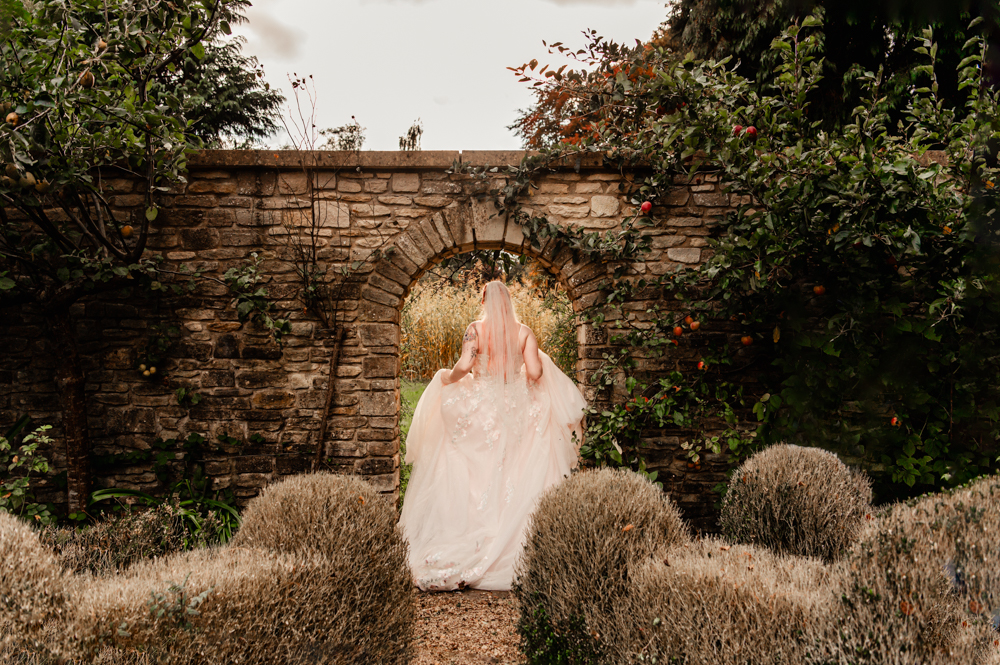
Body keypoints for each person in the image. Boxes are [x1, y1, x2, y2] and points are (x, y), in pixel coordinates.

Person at [398, 280, 587, 591]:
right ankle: (511, 537)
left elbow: (464, 365)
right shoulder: (524, 332)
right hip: (515, 401)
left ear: (484, 300)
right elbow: (536, 374)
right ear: (509, 302)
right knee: (515, 465)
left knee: (471, 464)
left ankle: (468, 535)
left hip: (482, 403)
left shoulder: (475, 330)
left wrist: (447, 377)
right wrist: (527, 371)